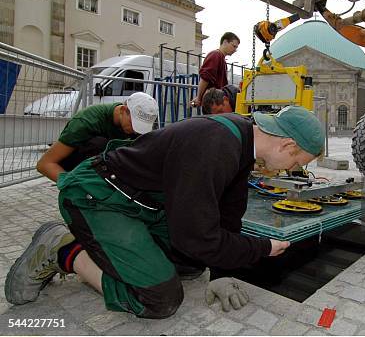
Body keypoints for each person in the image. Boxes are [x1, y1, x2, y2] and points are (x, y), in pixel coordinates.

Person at [5, 105, 324, 319]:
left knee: (191, 265)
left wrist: (223, 273)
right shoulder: (216, 145)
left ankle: (126, 253)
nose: (292, 170)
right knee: (161, 298)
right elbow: (195, 236)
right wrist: (262, 248)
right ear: (287, 146)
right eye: (297, 164)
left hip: (140, 202)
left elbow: (227, 219)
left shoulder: (241, 139)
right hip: (97, 195)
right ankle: (64, 248)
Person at [36, 92, 159, 182]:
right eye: (133, 123)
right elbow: (45, 164)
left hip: (106, 170)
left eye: (141, 127)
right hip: (77, 169)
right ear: (123, 110)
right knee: (99, 144)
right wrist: (74, 186)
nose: (135, 130)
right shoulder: (86, 121)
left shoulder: (134, 128)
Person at [191, 32, 240, 108]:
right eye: (234, 46)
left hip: (216, 102)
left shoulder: (221, 59)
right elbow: (205, 78)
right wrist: (199, 98)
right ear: (225, 42)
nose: (235, 50)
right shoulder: (215, 55)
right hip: (213, 103)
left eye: (236, 48)